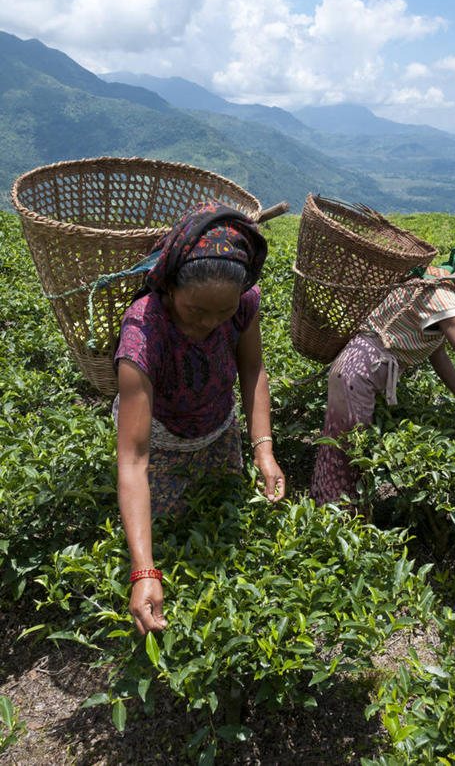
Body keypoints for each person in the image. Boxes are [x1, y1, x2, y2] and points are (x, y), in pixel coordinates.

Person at [114, 200, 285, 635]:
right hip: (162, 440)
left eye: (222, 312)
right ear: (170, 286)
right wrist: (143, 571)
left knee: (221, 515)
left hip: (219, 427)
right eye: (196, 311)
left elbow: (252, 369)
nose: (210, 323)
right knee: (169, 535)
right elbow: (132, 459)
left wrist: (263, 449)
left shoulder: (243, 303)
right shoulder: (142, 332)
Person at [310, 232, 455, 506]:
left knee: (340, 448)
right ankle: (340, 520)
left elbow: (436, 353)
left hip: (352, 367)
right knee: (348, 456)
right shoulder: (446, 302)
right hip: (359, 376)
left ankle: (330, 509)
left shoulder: (430, 278)